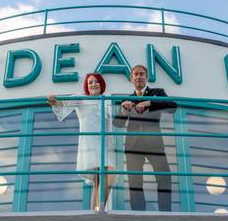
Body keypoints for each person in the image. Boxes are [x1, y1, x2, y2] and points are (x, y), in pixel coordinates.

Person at [47, 73, 116, 211]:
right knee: (99, 178)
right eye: (90, 82)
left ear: (101, 84)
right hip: (90, 142)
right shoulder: (81, 98)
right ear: (87, 86)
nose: (93, 84)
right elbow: (63, 104)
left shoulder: (107, 99)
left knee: (107, 177)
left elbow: (116, 116)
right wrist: (54, 101)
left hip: (106, 142)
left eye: (96, 82)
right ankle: (98, 210)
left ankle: (96, 210)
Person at [113, 64, 177, 211]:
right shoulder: (127, 99)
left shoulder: (157, 92)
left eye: (141, 74)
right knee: (135, 182)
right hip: (133, 145)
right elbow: (117, 124)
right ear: (131, 78)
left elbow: (173, 107)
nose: (138, 76)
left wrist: (150, 102)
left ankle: (165, 213)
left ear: (146, 77)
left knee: (165, 178)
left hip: (154, 143)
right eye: (135, 74)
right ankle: (138, 214)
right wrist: (123, 110)